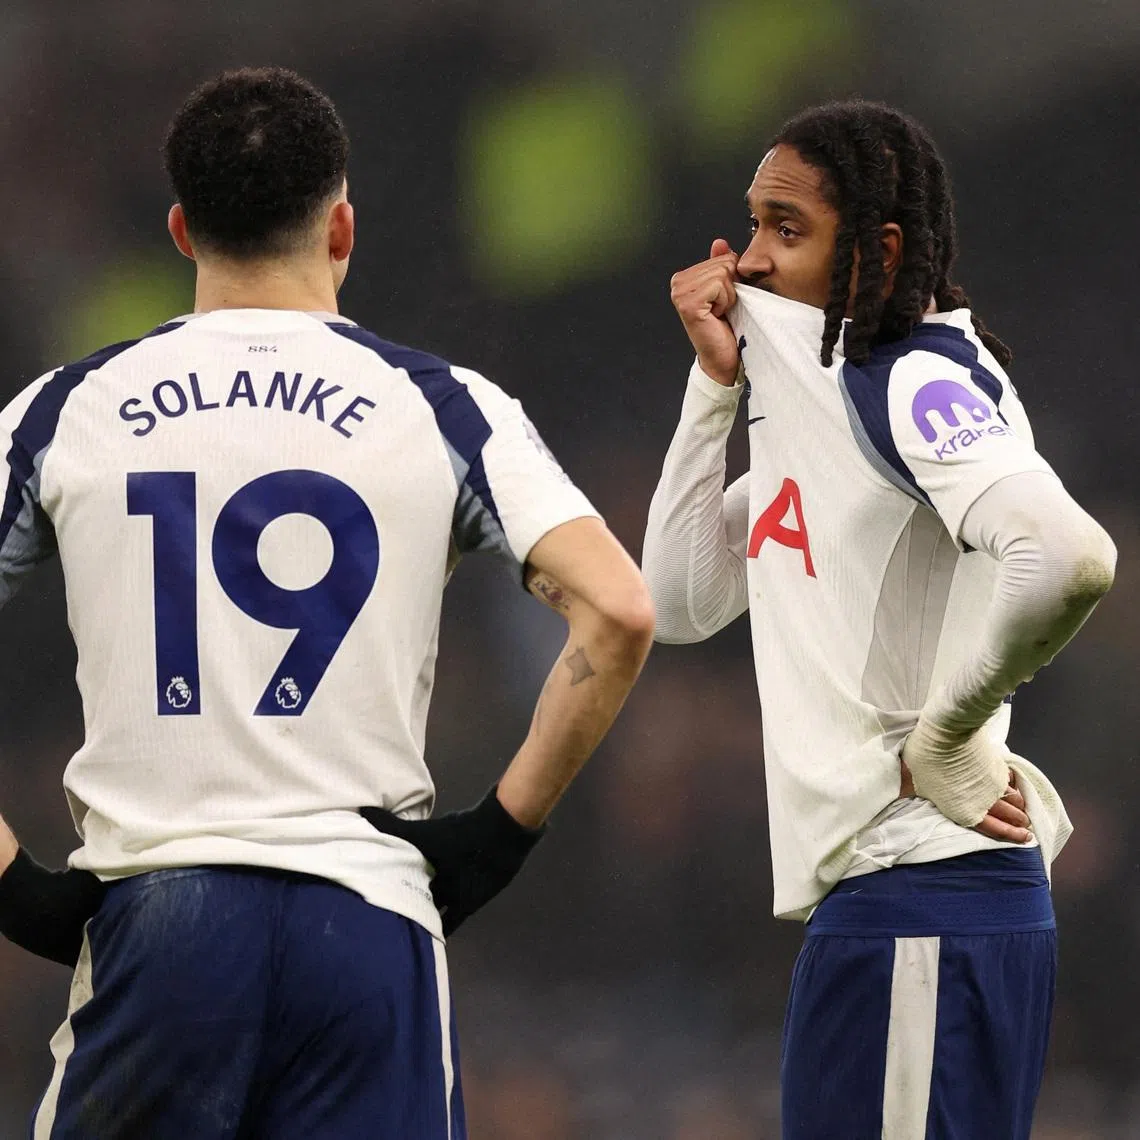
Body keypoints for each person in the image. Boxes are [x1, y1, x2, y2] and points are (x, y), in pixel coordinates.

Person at [0, 66, 654, 1139]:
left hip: (160, 919)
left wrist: (16, 886)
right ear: (342, 226)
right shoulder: (442, 404)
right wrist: (496, 835)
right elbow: (620, 610)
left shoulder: (67, 409)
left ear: (180, 229)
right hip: (368, 920)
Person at [642, 100, 1115, 1139]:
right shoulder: (826, 412)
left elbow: (1071, 555)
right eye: (752, 224)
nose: (749, 262)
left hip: (926, 897)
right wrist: (711, 388)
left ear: (880, 247)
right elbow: (676, 606)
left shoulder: (908, 382)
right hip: (894, 908)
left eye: (786, 228)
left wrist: (948, 733)